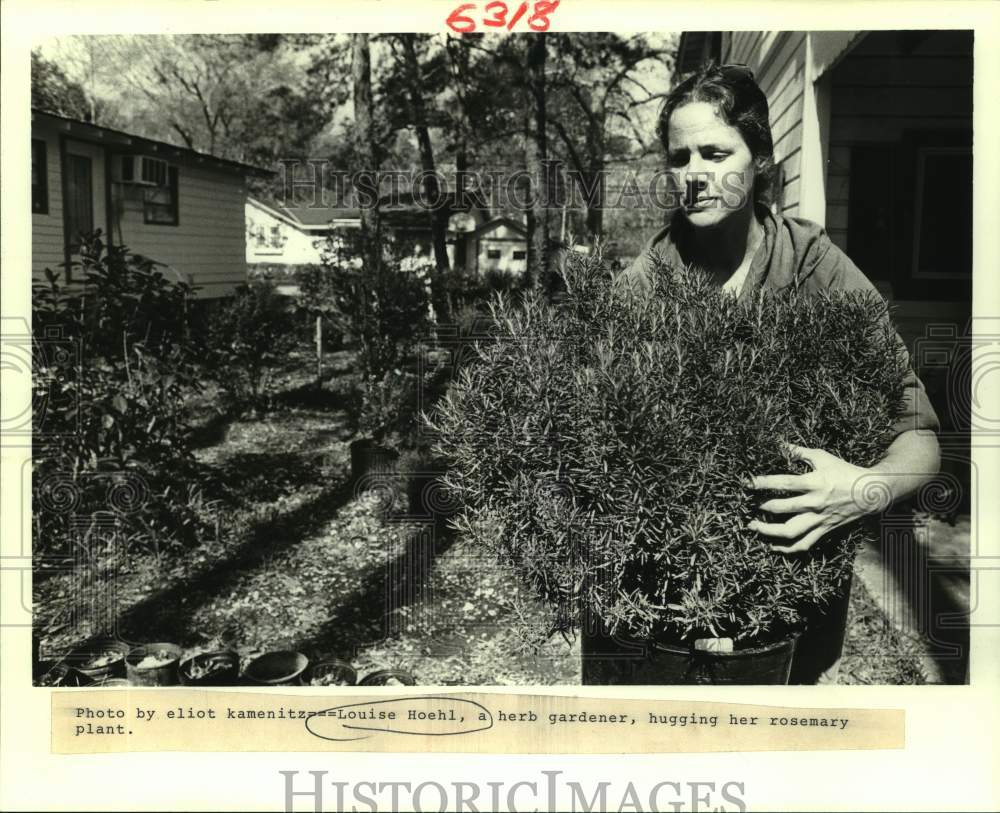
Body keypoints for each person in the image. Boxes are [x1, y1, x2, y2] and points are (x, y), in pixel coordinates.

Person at [617, 62, 942, 683]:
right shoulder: (640, 290)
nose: (695, 175)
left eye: (716, 152)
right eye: (680, 158)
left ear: (760, 158)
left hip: (789, 605)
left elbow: (920, 437)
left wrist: (863, 488)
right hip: (660, 609)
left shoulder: (815, 268)